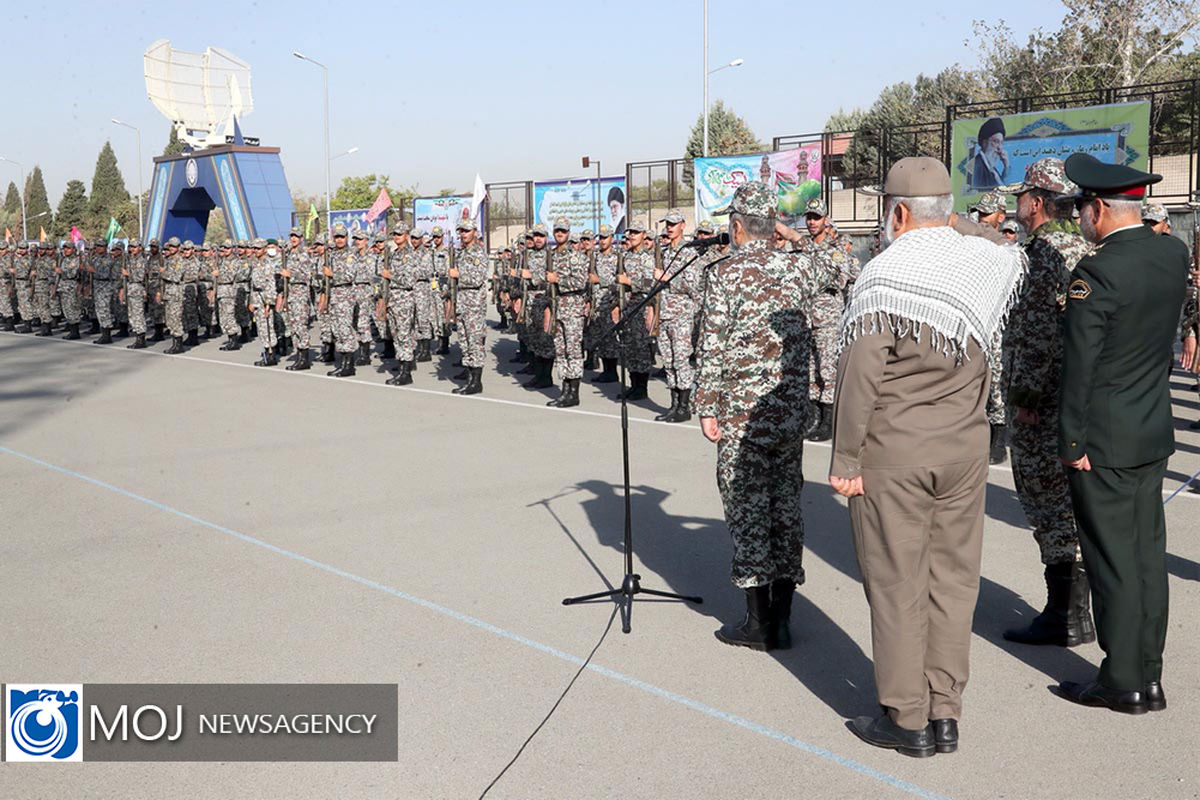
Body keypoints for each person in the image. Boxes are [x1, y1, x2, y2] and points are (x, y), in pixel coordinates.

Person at [830, 157, 1024, 758]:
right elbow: (996, 236)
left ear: (898, 212)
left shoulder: (886, 278)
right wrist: (954, 221)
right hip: (963, 451)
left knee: (895, 582)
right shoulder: (983, 264)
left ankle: (905, 717)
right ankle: (946, 711)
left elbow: (860, 380)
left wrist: (845, 460)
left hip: (896, 453)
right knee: (954, 581)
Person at [1054, 152, 1188, 715]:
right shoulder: (1171, 252)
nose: (1079, 219)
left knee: (1111, 560)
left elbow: (1080, 368)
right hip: (1150, 429)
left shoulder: (1096, 272)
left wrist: (1072, 442)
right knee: (1145, 555)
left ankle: (1122, 680)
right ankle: (1149, 676)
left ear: (1100, 209)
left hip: (1103, 439)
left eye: (1082, 207)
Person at [695, 181, 838, 652]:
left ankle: (757, 622)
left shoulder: (725, 273)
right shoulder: (799, 267)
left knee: (748, 508)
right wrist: (788, 233)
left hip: (742, 415)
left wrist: (707, 406)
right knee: (786, 507)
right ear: (771, 225)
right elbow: (834, 259)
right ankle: (782, 618)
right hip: (790, 412)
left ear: (736, 227)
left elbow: (711, 343)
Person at [999, 158, 1095, 647]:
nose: (1016, 205)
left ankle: (1065, 616)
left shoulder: (1044, 250)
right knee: (1068, 503)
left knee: (1047, 503)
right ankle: (1075, 611)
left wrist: (1025, 398)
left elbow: (1038, 332)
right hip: (1075, 399)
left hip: (1044, 401)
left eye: (1022, 197)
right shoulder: (1083, 243)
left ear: (1036, 202)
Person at [801, 197, 860, 441]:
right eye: (809, 217)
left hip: (827, 317)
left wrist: (812, 277)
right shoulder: (802, 247)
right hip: (805, 316)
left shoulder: (835, 251)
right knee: (810, 369)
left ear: (826, 220)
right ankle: (813, 417)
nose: (812, 222)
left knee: (827, 369)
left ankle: (828, 420)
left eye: (816, 217)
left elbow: (840, 280)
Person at [654, 209, 703, 422]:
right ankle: (673, 404)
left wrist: (666, 278)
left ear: (683, 225)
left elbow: (692, 286)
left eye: (674, 223)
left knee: (681, 360)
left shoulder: (689, 253)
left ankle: (684, 406)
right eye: (668, 223)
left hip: (681, 314)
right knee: (669, 360)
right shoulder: (665, 252)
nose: (669, 227)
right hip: (664, 313)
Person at [545, 217, 588, 406]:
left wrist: (558, 280)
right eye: (557, 231)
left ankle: (574, 392)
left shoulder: (576, 256)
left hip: (572, 310)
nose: (559, 234)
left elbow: (580, 282)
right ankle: (565, 388)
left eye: (563, 231)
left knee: (573, 351)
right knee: (560, 351)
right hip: (557, 309)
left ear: (569, 233)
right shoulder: (551, 255)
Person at [449, 218, 488, 395]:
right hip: (462, 304)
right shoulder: (461, 253)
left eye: (467, 231)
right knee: (464, 343)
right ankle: (469, 377)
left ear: (474, 232)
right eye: (462, 231)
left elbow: (477, 278)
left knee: (474, 343)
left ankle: (476, 381)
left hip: (474, 306)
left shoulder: (478, 253)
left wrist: (459, 275)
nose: (464, 234)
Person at [970, 117, 1008, 188]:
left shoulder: (992, 169)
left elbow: (1003, 188)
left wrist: (1006, 167)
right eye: (996, 141)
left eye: (1001, 143)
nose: (999, 147)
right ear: (984, 143)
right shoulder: (977, 166)